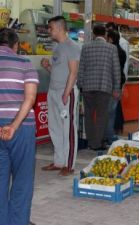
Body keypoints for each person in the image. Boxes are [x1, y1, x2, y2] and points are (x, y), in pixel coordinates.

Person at [0, 28, 39, 225]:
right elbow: (30, 99)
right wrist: (14, 126)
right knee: (22, 180)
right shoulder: (25, 63)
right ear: (15, 45)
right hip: (21, 128)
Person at [41, 16, 81, 176]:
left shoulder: (72, 46)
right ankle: (59, 161)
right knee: (54, 127)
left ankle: (69, 165)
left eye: (50, 28)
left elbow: (73, 72)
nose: (49, 31)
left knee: (68, 128)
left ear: (58, 28)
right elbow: (58, 71)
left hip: (66, 92)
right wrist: (48, 67)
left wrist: (66, 93)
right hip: (53, 91)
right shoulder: (57, 47)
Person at [77, 24, 121, 151]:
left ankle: (91, 141)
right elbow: (116, 69)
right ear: (105, 34)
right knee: (102, 116)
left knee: (89, 115)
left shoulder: (85, 47)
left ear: (94, 34)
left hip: (88, 87)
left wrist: (80, 84)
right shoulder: (111, 48)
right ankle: (97, 143)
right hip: (104, 86)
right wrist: (116, 88)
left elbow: (82, 68)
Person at [105, 29, 127, 142]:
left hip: (110, 83)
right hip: (119, 82)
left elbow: (113, 70)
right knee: (113, 110)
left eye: (106, 38)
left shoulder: (110, 51)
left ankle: (107, 136)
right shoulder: (122, 52)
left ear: (110, 39)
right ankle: (111, 134)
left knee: (108, 112)